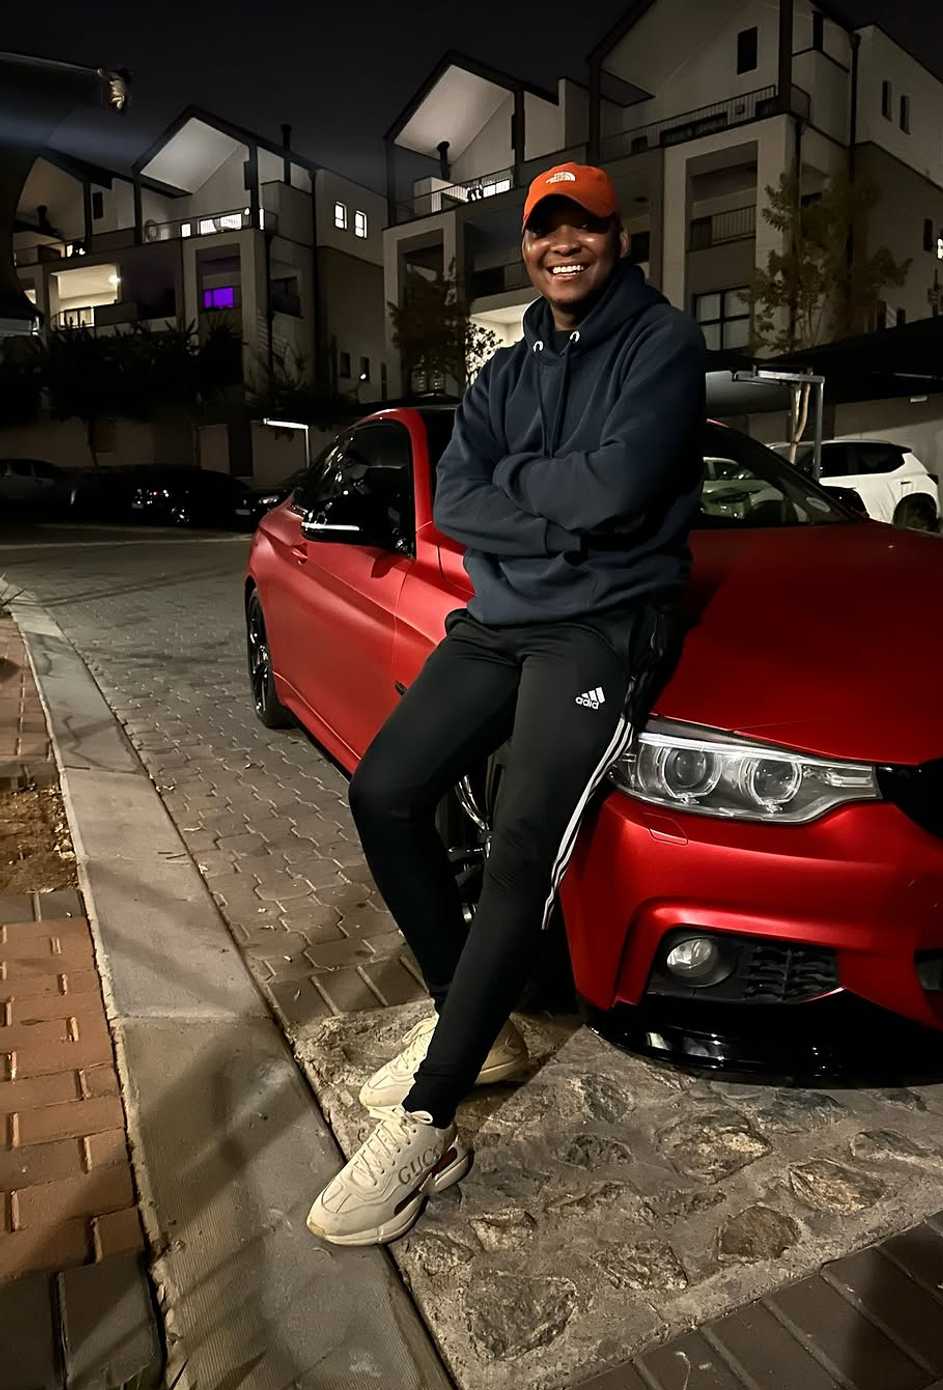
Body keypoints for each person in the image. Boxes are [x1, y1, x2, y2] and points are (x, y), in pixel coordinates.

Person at [306, 162, 706, 1247]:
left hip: (600, 627)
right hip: (502, 619)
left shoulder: (661, 345)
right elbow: (463, 504)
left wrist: (534, 499)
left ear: (619, 236)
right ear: (525, 246)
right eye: (544, 228)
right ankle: (467, 1021)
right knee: (386, 789)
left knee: (523, 846)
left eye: (583, 224)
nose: (562, 243)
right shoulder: (508, 365)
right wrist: (553, 500)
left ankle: (427, 1119)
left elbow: (617, 493)